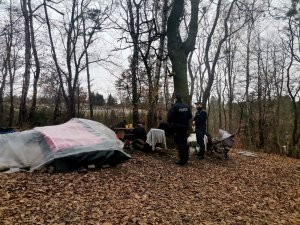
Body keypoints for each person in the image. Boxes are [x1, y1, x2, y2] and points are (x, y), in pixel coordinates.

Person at [167, 94, 192, 166]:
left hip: (177, 128)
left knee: (180, 144)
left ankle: (182, 160)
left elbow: (169, 118)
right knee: (184, 143)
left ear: (176, 99)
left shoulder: (175, 106)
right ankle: (185, 159)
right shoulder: (186, 106)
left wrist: (172, 123)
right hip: (185, 128)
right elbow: (190, 116)